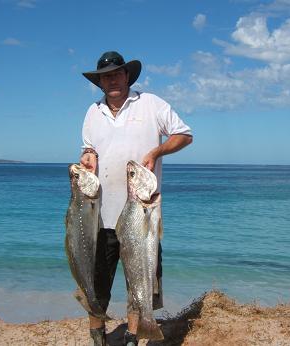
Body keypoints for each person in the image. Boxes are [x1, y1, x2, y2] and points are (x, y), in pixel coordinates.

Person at [79, 51, 192, 346]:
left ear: (127, 76)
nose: (112, 79)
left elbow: (184, 134)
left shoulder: (151, 104)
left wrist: (156, 152)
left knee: (139, 282)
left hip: (141, 216)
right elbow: (88, 149)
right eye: (106, 76)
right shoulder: (93, 112)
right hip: (101, 216)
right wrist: (87, 157)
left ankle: (132, 336)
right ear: (100, 82)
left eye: (117, 73)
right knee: (96, 283)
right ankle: (97, 337)